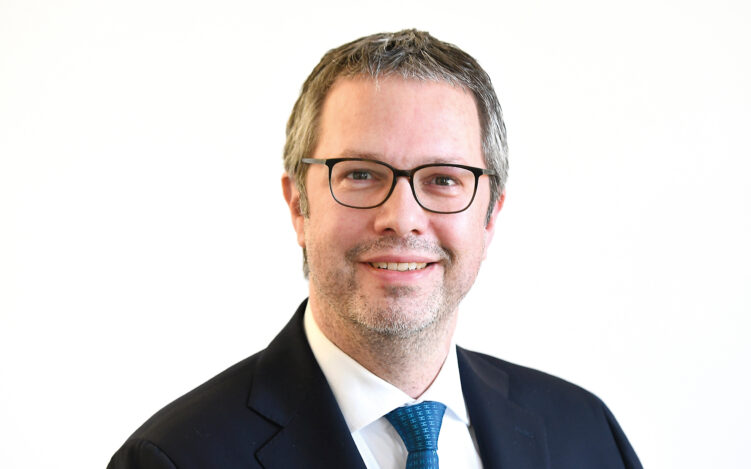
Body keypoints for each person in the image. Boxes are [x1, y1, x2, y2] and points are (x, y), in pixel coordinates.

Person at [108, 29, 642, 469]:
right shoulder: (174, 459)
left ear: (490, 216)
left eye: (443, 179)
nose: (402, 218)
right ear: (299, 206)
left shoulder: (586, 435)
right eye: (361, 174)